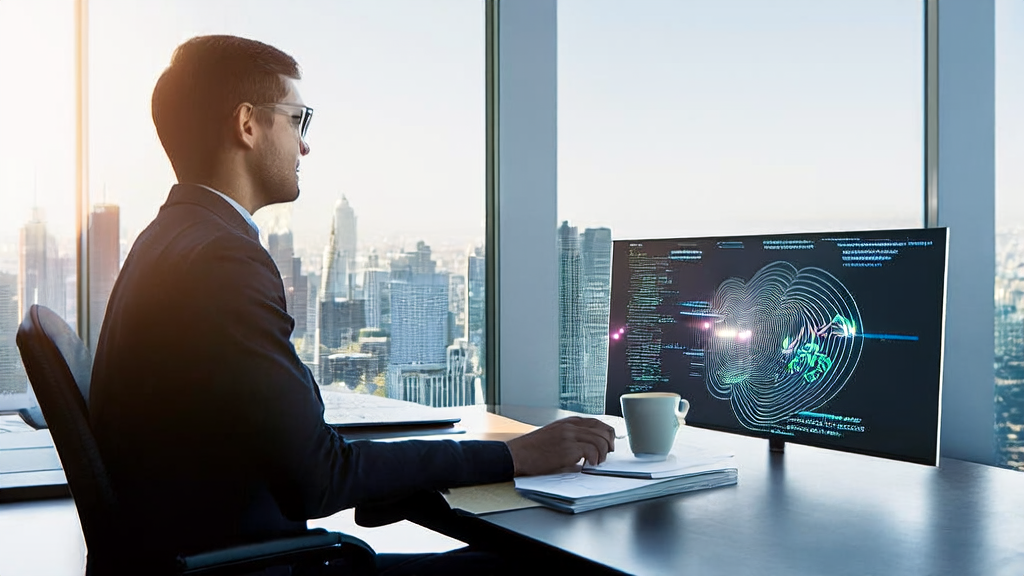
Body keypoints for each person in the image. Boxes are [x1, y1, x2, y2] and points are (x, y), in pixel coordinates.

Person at [89, 35, 615, 575]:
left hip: (204, 555)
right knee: (539, 566)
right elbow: (319, 478)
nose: (304, 146)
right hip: (246, 569)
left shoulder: (167, 237)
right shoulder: (224, 260)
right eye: (297, 120)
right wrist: (514, 455)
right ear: (247, 124)